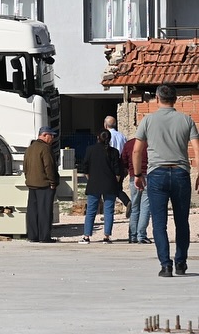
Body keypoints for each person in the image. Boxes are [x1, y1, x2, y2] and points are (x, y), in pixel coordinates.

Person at [133, 84, 199, 277]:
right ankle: (181, 263)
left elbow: (137, 150)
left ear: (157, 97)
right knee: (182, 221)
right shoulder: (186, 120)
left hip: (157, 174)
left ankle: (166, 265)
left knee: (159, 223)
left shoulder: (148, 120)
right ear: (176, 99)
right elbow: (196, 147)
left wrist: (138, 175)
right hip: (180, 173)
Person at [78, 130, 124, 244]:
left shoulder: (90, 150)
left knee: (91, 211)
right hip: (109, 184)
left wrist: (90, 178)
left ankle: (86, 236)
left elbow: (85, 168)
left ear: (98, 137)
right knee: (109, 211)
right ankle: (106, 236)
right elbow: (117, 171)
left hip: (94, 183)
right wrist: (115, 181)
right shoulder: (114, 152)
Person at [23, 125, 59, 243]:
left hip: (31, 184)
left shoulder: (30, 148)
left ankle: (33, 236)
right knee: (45, 211)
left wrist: (28, 178)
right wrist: (53, 181)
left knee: (33, 212)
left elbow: (25, 167)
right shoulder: (45, 148)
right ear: (44, 135)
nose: (52, 138)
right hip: (44, 184)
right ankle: (44, 237)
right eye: (51, 136)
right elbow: (49, 166)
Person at [122, 134, 151, 244]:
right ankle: (141, 235)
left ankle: (132, 235)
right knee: (145, 207)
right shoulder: (149, 144)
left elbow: (123, 161)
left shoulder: (129, 144)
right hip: (147, 176)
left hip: (133, 177)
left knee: (134, 206)